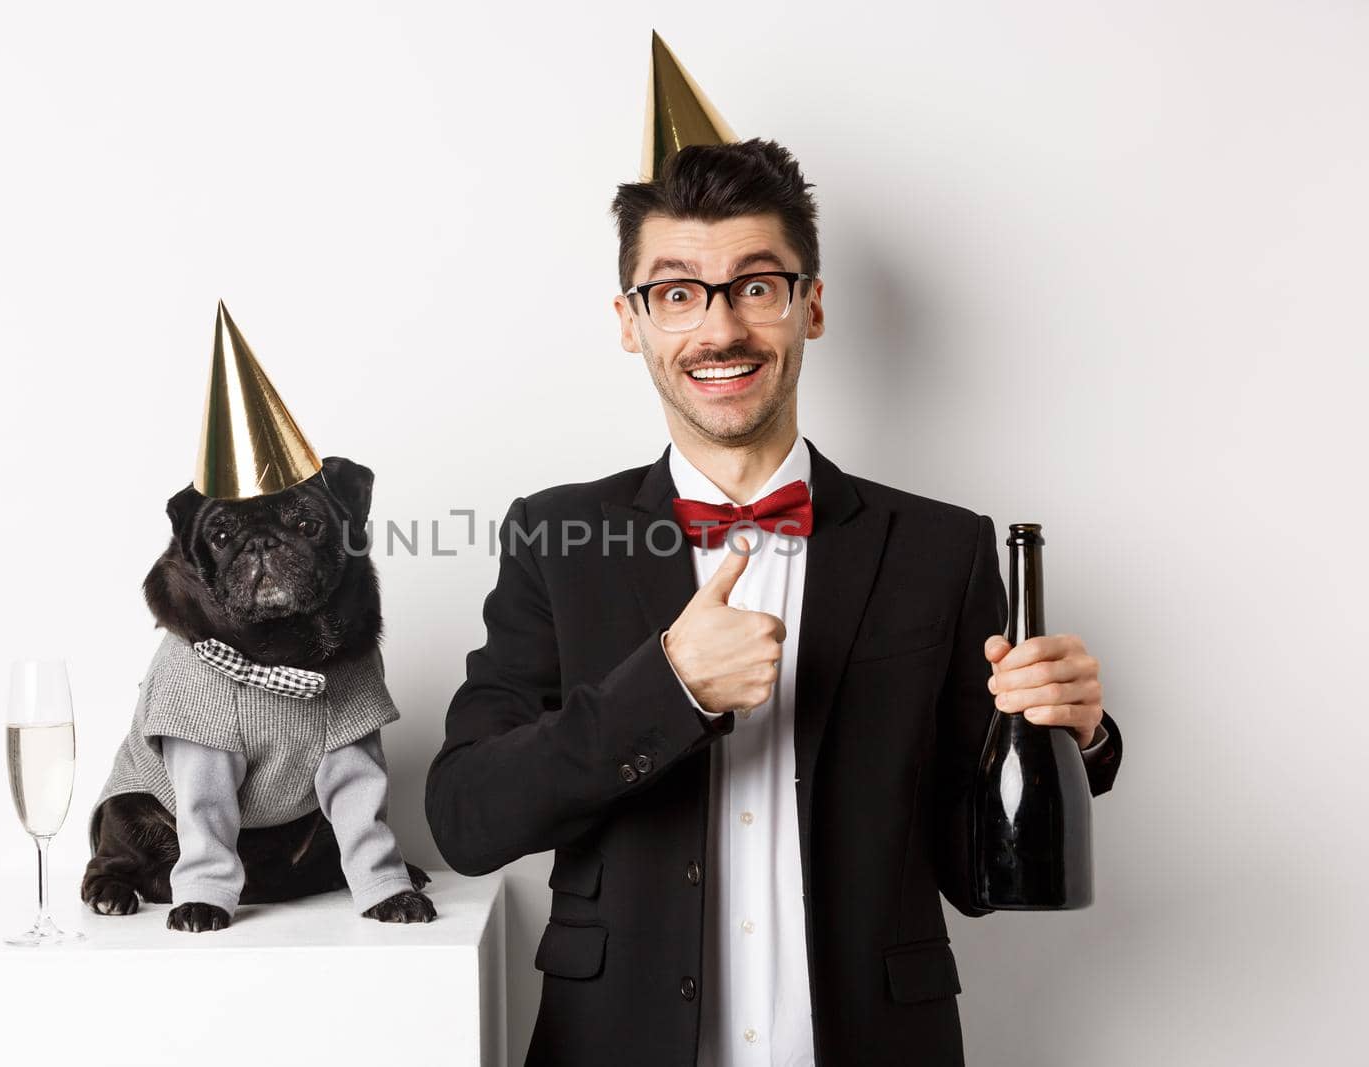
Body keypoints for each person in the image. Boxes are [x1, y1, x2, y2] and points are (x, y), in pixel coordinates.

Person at [424, 135, 1122, 1066]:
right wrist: (665, 690)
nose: (719, 331)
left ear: (811, 306)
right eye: (677, 294)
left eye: (756, 286)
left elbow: (974, 868)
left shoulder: (941, 548)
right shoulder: (555, 538)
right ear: (631, 321)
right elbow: (468, 818)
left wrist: (1076, 735)